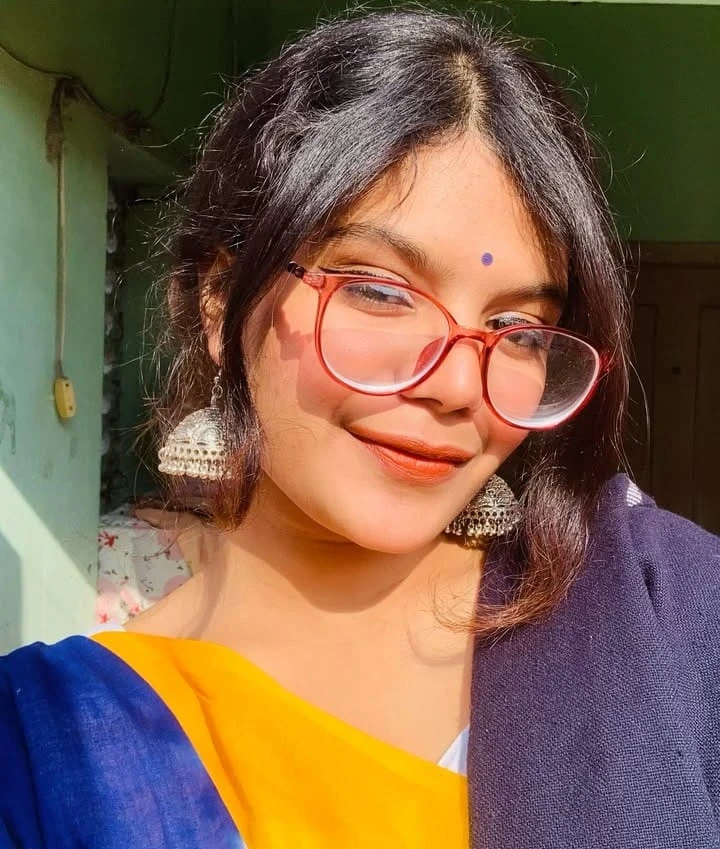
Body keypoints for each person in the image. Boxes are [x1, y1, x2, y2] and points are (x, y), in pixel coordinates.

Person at [1, 7, 719, 849]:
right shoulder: (51, 756)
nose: (458, 386)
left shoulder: (662, 620)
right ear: (221, 303)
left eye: (519, 330)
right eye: (378, 290)